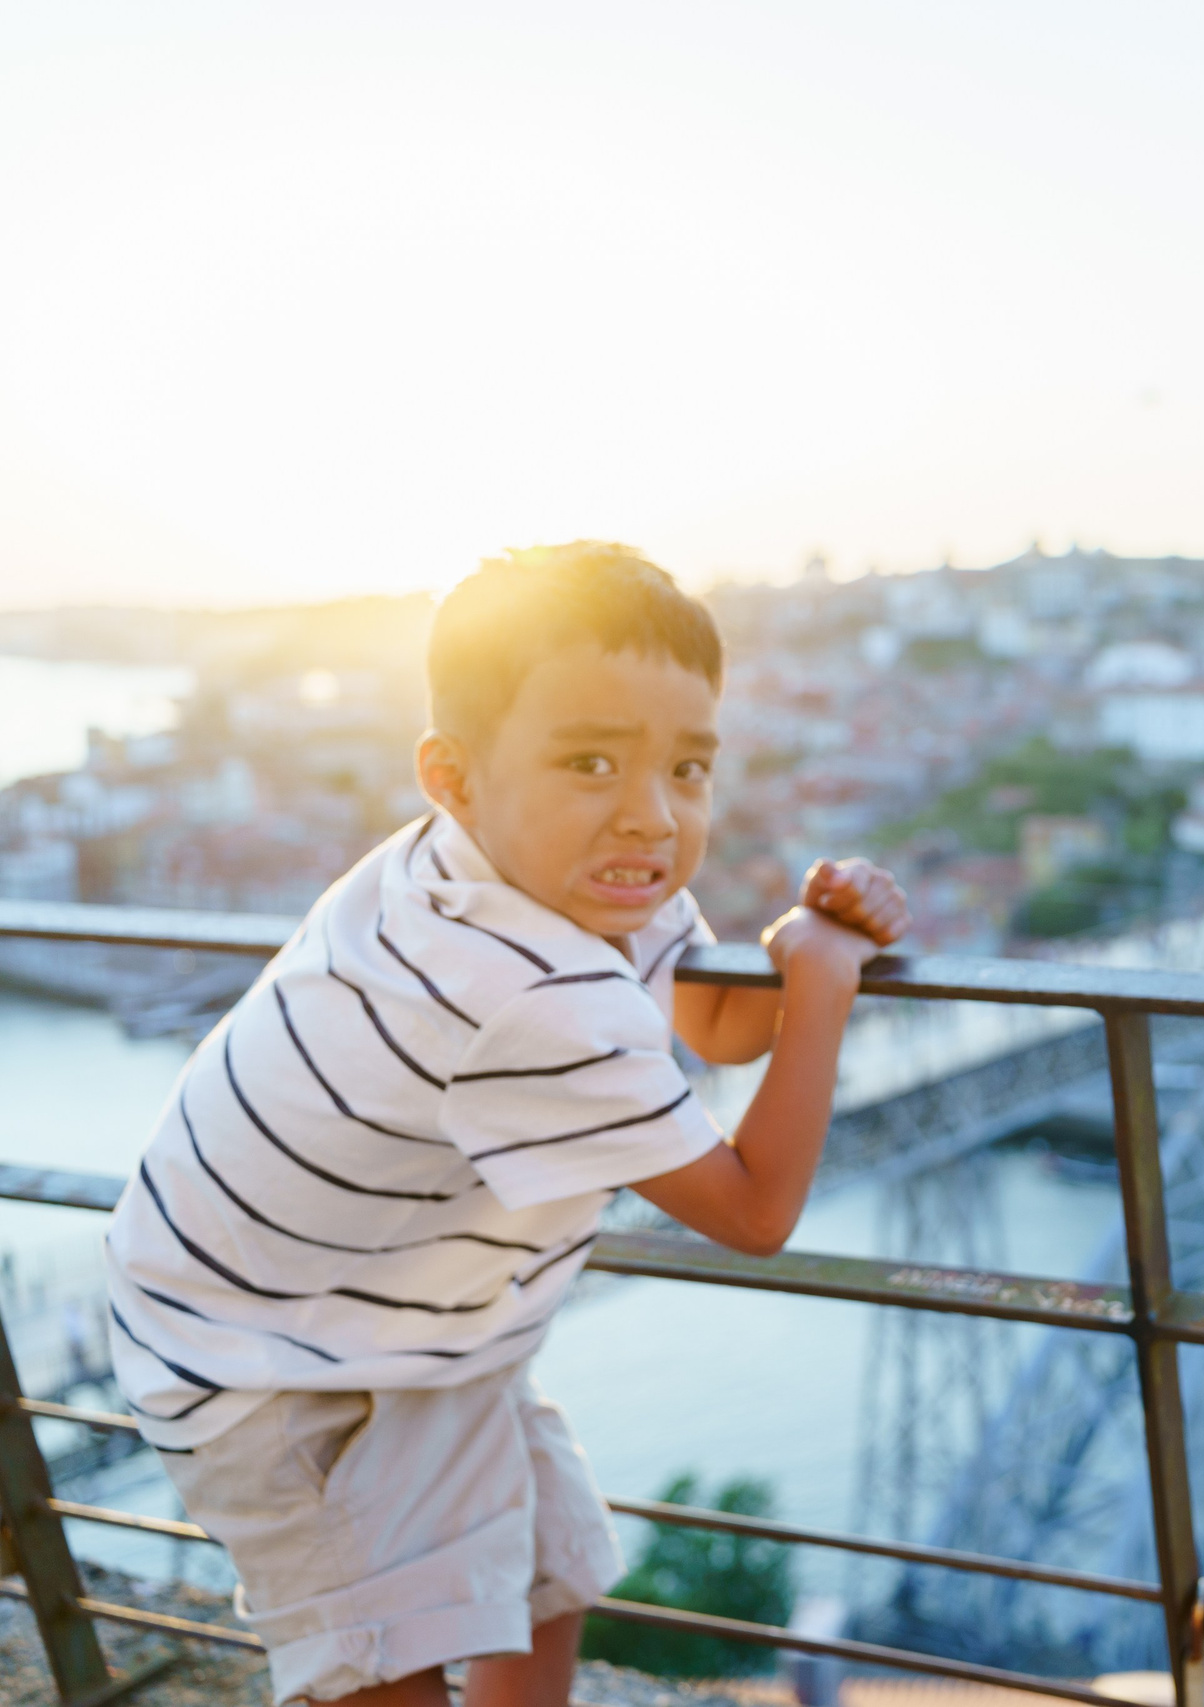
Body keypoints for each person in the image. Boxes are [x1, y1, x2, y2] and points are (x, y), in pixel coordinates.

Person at [101, 542, 910, 1707]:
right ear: (454, 774)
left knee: (547, 1580)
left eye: (688, 768)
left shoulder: (542, 864)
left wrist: (793, 932)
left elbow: (713, 1030)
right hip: (279, 1370)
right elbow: (753, 1210)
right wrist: (825, 980)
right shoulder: (515, 982)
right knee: (385, 1672)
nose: (650, 814)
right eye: (591, 761)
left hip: (411, 1326)